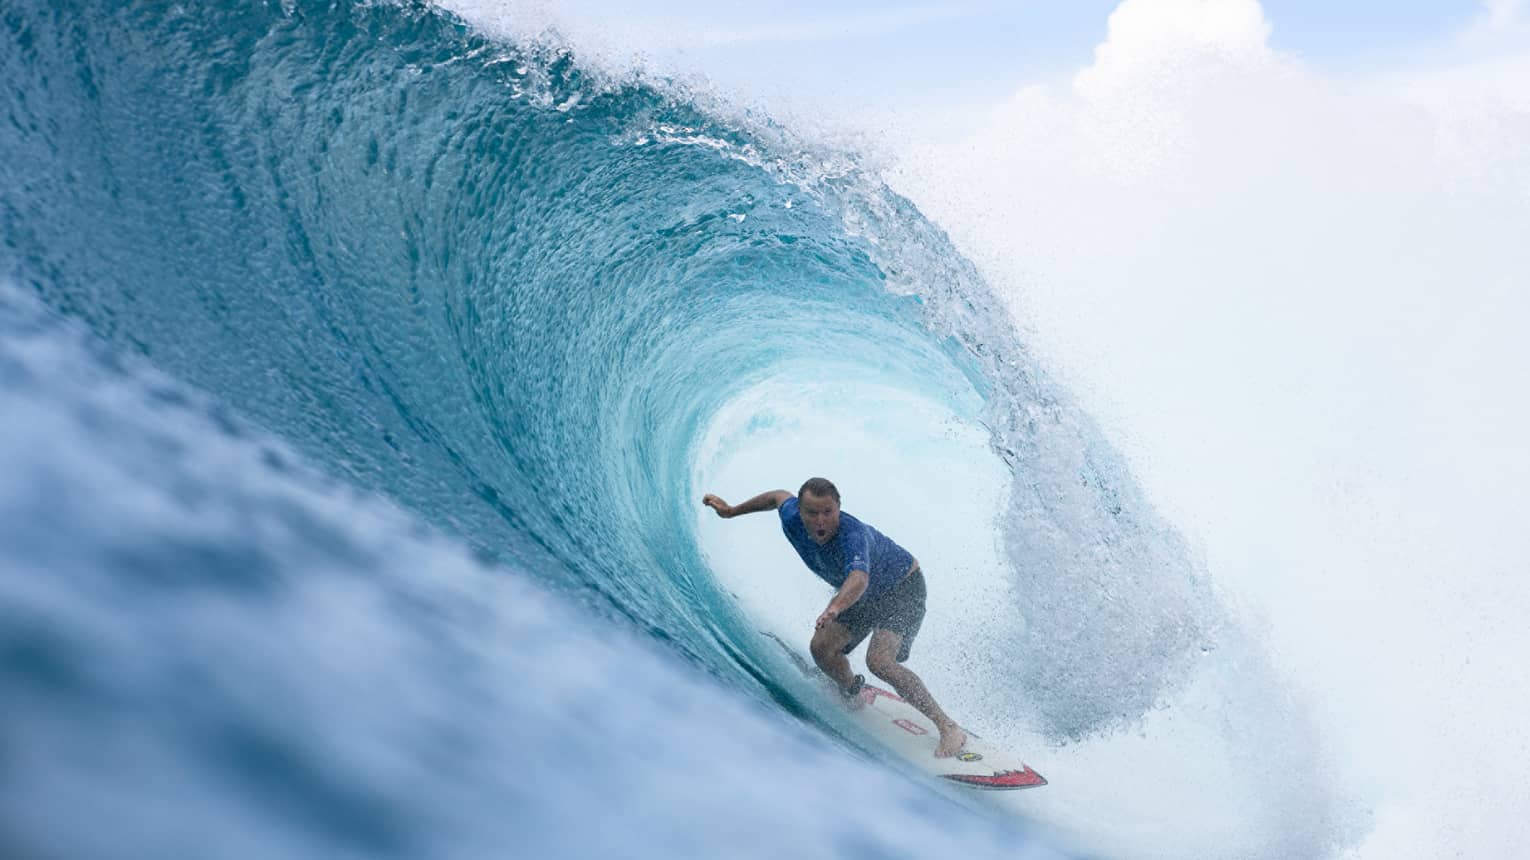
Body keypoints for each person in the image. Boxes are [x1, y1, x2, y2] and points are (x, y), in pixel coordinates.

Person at [702, 477, 968, 757]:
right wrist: (731, 511)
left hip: (902, 588)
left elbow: (859, 578)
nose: (821, 520)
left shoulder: (852, 536)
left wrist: (835, 607)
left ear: (839, 508)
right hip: (861, 596)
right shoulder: (791, 516)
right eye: (812, 513)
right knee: (821, 649)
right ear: (800, 511)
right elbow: (777, 496)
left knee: (879, 662)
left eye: (828, 512)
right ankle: (852, 692)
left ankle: (949, 727)